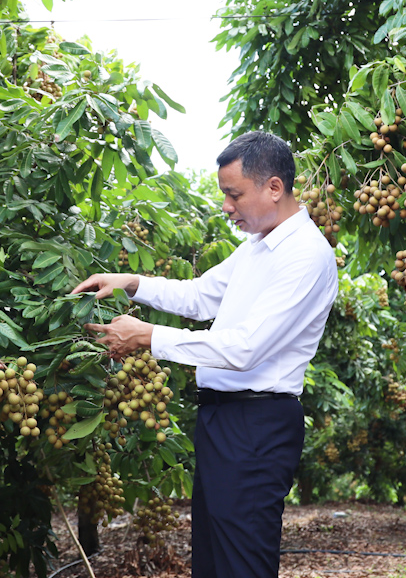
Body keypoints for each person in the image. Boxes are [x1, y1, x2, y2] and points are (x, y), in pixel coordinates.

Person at [72, 131, 338, 578]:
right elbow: (200, 296)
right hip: (221, 421)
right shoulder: (258, 246)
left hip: (257, 426)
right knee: (213, 562)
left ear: (274, 188)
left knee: (242, 564)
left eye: (234, 195)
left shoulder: (306, 256)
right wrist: (130, 282)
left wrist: (149, 336)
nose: (226, 206)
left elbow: (245, 349)